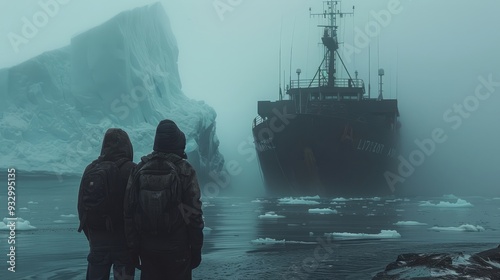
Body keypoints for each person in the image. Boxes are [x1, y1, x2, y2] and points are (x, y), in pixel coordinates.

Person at [124, 119, 204, 280]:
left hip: (147, 247)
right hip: (177, 247)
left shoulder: (139, 168)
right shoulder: (185, 169)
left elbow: (129, 211)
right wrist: (196, 249)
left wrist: (132, 248)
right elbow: (193, 214)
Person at [78, 128, 137, 280]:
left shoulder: (91, 169)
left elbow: (81, 207)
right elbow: (137, 209)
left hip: (97, 241)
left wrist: (93, 237)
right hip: (123, 243)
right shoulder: (131, 169)